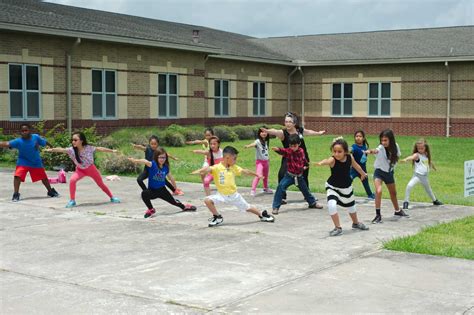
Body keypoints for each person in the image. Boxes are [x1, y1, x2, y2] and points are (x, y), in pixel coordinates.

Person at [191, 146, 275, 227]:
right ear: (227, 157)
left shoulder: (234, 167)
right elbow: (207, 169)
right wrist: (197, 171)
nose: (235, 160)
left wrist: (257, 175)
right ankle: (217, 217)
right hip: (221, 195)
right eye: (234, 158)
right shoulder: (217, 168)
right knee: (207, 200)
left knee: (247, 207)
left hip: (234, 196)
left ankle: (262, 215)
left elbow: (245, 171)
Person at [263, 112, 325, 205]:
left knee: (304, 177)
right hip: (288, 158)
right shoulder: (283, 133)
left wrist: (318, 133)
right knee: (281, 174)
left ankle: (307, 196)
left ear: (294, 123)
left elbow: (308, 132)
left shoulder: (299, 130)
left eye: (289, 122)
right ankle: (282, 197)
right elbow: (275, 131)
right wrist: (267, 131)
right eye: (286, 121)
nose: (287, 123)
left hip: (302, 157)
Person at [44, 132, 120, 208]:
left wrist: (112, 151)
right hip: (80, 170)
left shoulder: (88, 147)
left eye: (75, 140)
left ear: (81, 141)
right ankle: (72, 201)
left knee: (101, 184)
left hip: (91, 169)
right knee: (72, 180)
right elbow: (62, 150)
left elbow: (100, 148)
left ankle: (112, 197)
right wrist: (51, 149)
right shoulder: (71, 150)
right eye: (72, 140)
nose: (73, 141)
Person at [314, 137, 369, 236]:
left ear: (345, 151)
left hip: (346, 187)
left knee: (351, 207)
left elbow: (357, 166)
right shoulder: (333, 160)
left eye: (339, 151)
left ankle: (356, 223)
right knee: (331, 204)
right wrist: (321, 163)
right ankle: (337, 227)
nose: (336, 154)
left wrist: (363, 173)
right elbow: (327, 160)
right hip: (333, 187)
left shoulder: (349, 157)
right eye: (334, 151)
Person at [128, 147, 196, 218]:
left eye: (164, 157)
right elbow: (145, 161)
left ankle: (184, 207)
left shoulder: (166, 167)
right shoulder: (152, 165)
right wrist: (134, 160)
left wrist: (175, 189)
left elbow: (170, 178)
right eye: (160, 157)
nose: (162, 159)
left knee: (174, 202)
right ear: (156, 157)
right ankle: (151, 209)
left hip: (162, 190)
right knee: (144, 193)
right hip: (152, 191)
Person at [0, 123, 59, 201]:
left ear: (30, 130)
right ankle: (16, 194)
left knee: (44, 178)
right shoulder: (18, 141)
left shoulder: (36, 137)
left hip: (35, 162)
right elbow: (7, 144)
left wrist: (52, 147)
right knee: (17, 176)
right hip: (23, 162)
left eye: (26, 130)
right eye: (22, 131)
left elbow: (44, 142)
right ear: (20, 132)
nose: (24, 132)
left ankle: (50, 191)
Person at [365, 129, 408, 224]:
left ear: (390, 140)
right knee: (378, 191)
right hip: (379, 172)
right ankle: (378, 215)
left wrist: (392, 165)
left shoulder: (395, 146)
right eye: (382, 140)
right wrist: (370, 151)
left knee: (393, 193)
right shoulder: (380, 147)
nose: (383, 142)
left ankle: (397, 211)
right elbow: (375, 150)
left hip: (389, 173)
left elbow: (397, 156)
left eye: (385, 140)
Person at [271, 134, 320, 215]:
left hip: (299, 177)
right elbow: (283, 151)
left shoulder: (301, 151)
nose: (293, 148)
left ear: (299, 144)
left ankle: (312, 203)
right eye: (291, 146)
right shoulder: (289, 151)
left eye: (295, 146)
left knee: (305, 190)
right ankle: (275, 207)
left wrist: (306, 166)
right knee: (280, 187)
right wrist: (277, 149)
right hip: (289, 176)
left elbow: (303, 160)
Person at [401, 138, 443, 210]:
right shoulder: (417, 155)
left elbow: (429, 161)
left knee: (428, 189)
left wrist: (433, 167)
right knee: (409, 186)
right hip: (417, 176)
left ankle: (435, 200)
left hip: (424, 177)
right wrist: (406, 159)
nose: (420, 150)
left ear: (425, 148)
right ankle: (406, 202)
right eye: (418, 148)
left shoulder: (426, 155)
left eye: (422, 148)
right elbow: (412, 157)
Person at [244, 126, 273, 196]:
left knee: (265, 176)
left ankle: (265, 188)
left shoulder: (266, 141)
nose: (264, 133)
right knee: (258, 175)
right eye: (262, 132)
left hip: (266, 162)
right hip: (260, 162)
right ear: (259, 133)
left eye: (265, 132)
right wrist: (248, 146)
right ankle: (253, 190)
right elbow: (253, 144)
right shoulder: (258, 141)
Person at [350, 129, 375, 200]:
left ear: (363, 138)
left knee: (365, 183)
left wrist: (368, 152)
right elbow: (351, 150)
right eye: (357, 136)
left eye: (360, 136)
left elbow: (365, 158)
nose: (358, 137)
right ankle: (344, 193)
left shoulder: (364, 147)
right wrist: (349, 150)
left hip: (363, 169)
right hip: (354, 169)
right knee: (348, 180)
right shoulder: (354, 146)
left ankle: (370, 194)